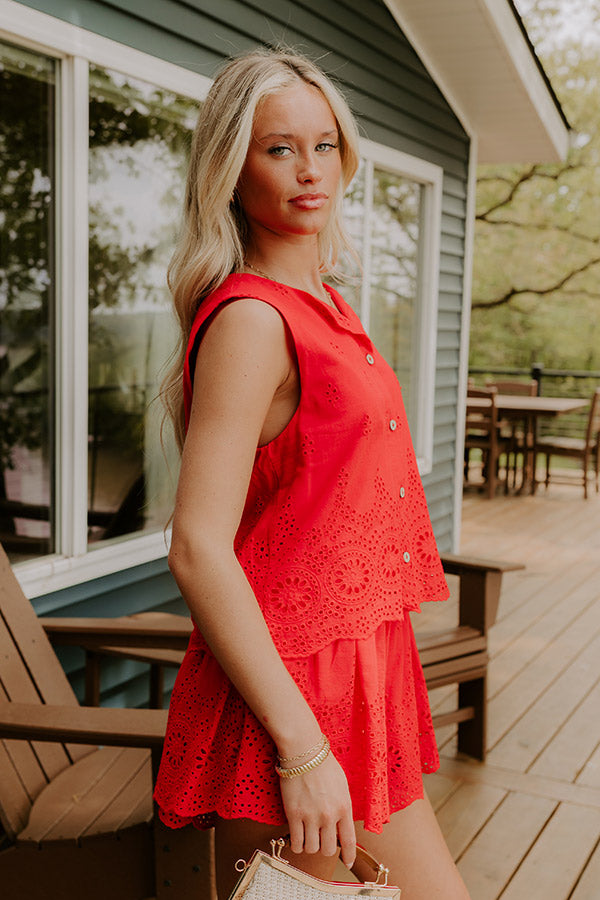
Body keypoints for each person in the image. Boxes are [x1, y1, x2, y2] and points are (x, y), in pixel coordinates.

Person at [154, 47, 471, 900]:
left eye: (324, 146)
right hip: (295, 694)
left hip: (362, 670)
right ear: (230, 167)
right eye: (278, 148)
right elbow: (197, 548)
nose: (308, 171)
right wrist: (302, 747)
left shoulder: (326, 301)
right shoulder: (255, 320)